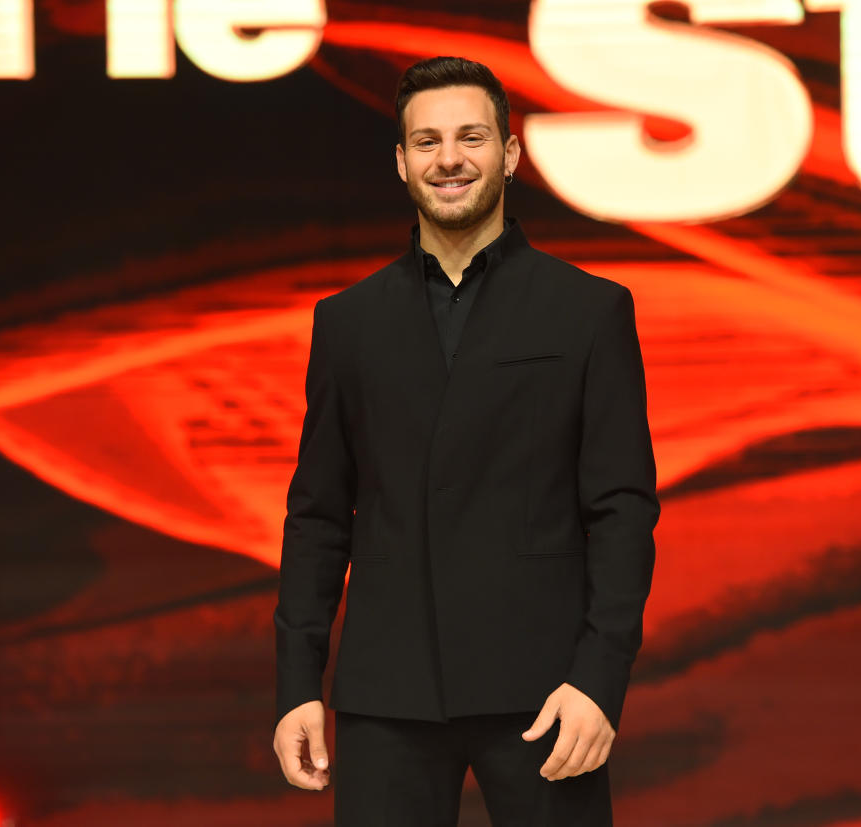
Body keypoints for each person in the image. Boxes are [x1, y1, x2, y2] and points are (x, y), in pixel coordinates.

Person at [272, 55, 659, 826]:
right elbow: (318, 517)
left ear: (510, 155)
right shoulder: (349, 324)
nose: (449, 157)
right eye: (427, 141)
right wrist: (296, 687)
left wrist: (599, 677)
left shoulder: (587, 311)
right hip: (389, 693)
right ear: (401, 162)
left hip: (548, 690)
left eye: (472, 136)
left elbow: (622, 510)